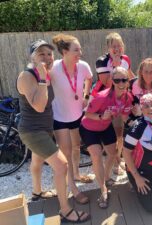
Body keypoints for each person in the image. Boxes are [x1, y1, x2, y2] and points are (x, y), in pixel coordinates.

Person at [17, 39, 90, 223]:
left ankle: (37, 192)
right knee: (62, 165)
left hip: (44, 129)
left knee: (37, 161)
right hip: (33, 132)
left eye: (49, 54)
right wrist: (42, 78)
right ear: (32, 57)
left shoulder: (48, 73)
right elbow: (40, 106)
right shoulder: (27, 76)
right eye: (41, 54)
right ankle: (65, 210)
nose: (47, 57)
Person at [80, 67, 133, 208]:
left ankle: (107, 176)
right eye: (117, 80)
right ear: (112, 82)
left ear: (128, 81)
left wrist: (135, 123)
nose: (121, 83)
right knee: (96, 156)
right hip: (89, 128)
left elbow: (125, 116)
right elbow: (86, 114)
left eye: (124, 79)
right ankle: (103, 189)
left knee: (113, 153)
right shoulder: (101, 97)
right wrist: (100, 116)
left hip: (105, 127)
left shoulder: (128, 97)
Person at [51, 34, 93, 204]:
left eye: (80, 49)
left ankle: (76, 174)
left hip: (77, 114)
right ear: (64, 51)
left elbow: (90, 79)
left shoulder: (82, 66)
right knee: (66, 153)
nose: (80, 53)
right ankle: (73, 188)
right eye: (76, 50)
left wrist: (86, 95)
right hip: (59, 117)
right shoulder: (53, 68)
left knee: (76, 146)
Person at [95, 32, 135, 175]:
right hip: (105, 103)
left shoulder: (126, 59)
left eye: (119, 45)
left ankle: (118, 159)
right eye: (114, 46)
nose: (117, 49)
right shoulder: (102, 61)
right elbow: (106, 83)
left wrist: (139, 85)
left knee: (120, 134)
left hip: (122, 101)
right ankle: (115, 162)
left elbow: (130, 75)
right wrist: (116, 67)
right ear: (108, 47)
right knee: (110, 136)